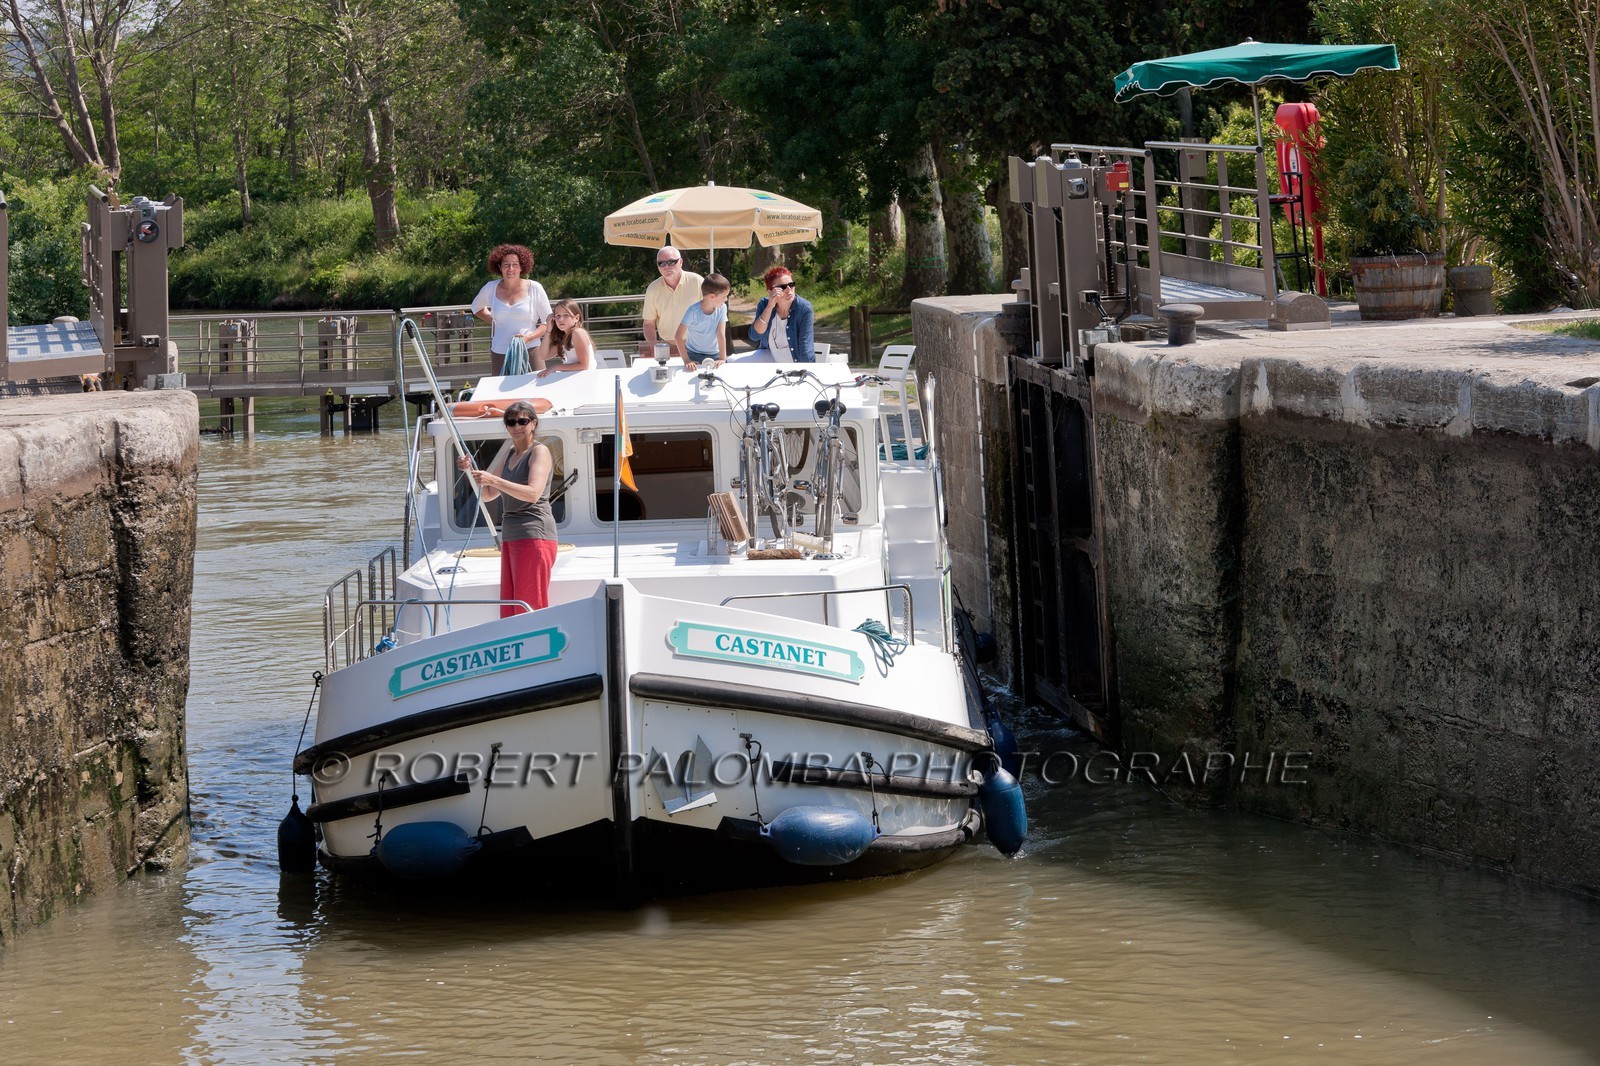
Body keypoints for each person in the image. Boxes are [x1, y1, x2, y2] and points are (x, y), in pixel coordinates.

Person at [455, 400, 557, 616]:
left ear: (533, 424)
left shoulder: (540, 452)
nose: (517, 426)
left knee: (530, 606)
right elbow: (488, 495)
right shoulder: (510, 452)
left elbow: (533, 493)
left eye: (523, 421)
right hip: (511, 536)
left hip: (534, 534)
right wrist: (470, 472)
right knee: (512, 607)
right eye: (511, 422)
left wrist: (493, 479)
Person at [471, 244, 552, 376]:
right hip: (500, 350)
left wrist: (529, 337)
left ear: (521, 267)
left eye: (515, 264)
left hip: (530, 349)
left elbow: (548, 321)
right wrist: (494, 321)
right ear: (499, 267)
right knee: (501, 395)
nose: (510, 268)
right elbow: (476, 307)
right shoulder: (490, 288)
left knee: (537, 390)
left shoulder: (535, 288)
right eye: (506, 264)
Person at [638, 245, 704, 363]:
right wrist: (654, 347)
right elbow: (648, 323)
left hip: (697, 346)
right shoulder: (653, 289)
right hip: (667, 347)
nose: (666, 267)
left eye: (671, 262)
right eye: (661, 263)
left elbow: (712, 313)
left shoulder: (698, 281)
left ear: (681, 262)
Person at [748, 266, 814, 363]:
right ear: (770, 291)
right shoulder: (764, 304)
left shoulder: (804, 308)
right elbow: (754, 336)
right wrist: (770, 307)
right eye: (782, 287)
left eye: (791, 284)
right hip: (770, 362)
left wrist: (803, 373)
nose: (788, 289)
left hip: (794, 364)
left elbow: (805, 348)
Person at [675, 273, 731, 370]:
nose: (726, 299)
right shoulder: (692, 311)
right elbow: (678, 337)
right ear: (712, 296)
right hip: (693, 355)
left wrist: (722, 358)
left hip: (715, 355)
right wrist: (687, 361)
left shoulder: (722, 308)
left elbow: (720, 334)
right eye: (724, 296)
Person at [535, 299, 595, 377]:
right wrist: (549, 330)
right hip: (574, 378)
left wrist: (555, 367)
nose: (560, 319)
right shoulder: (564, 337)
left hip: (586, 379)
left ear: (576, 318)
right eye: (558, 316)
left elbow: (584, 365)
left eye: (566, 315)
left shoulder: (578, 333)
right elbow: (542, 356)